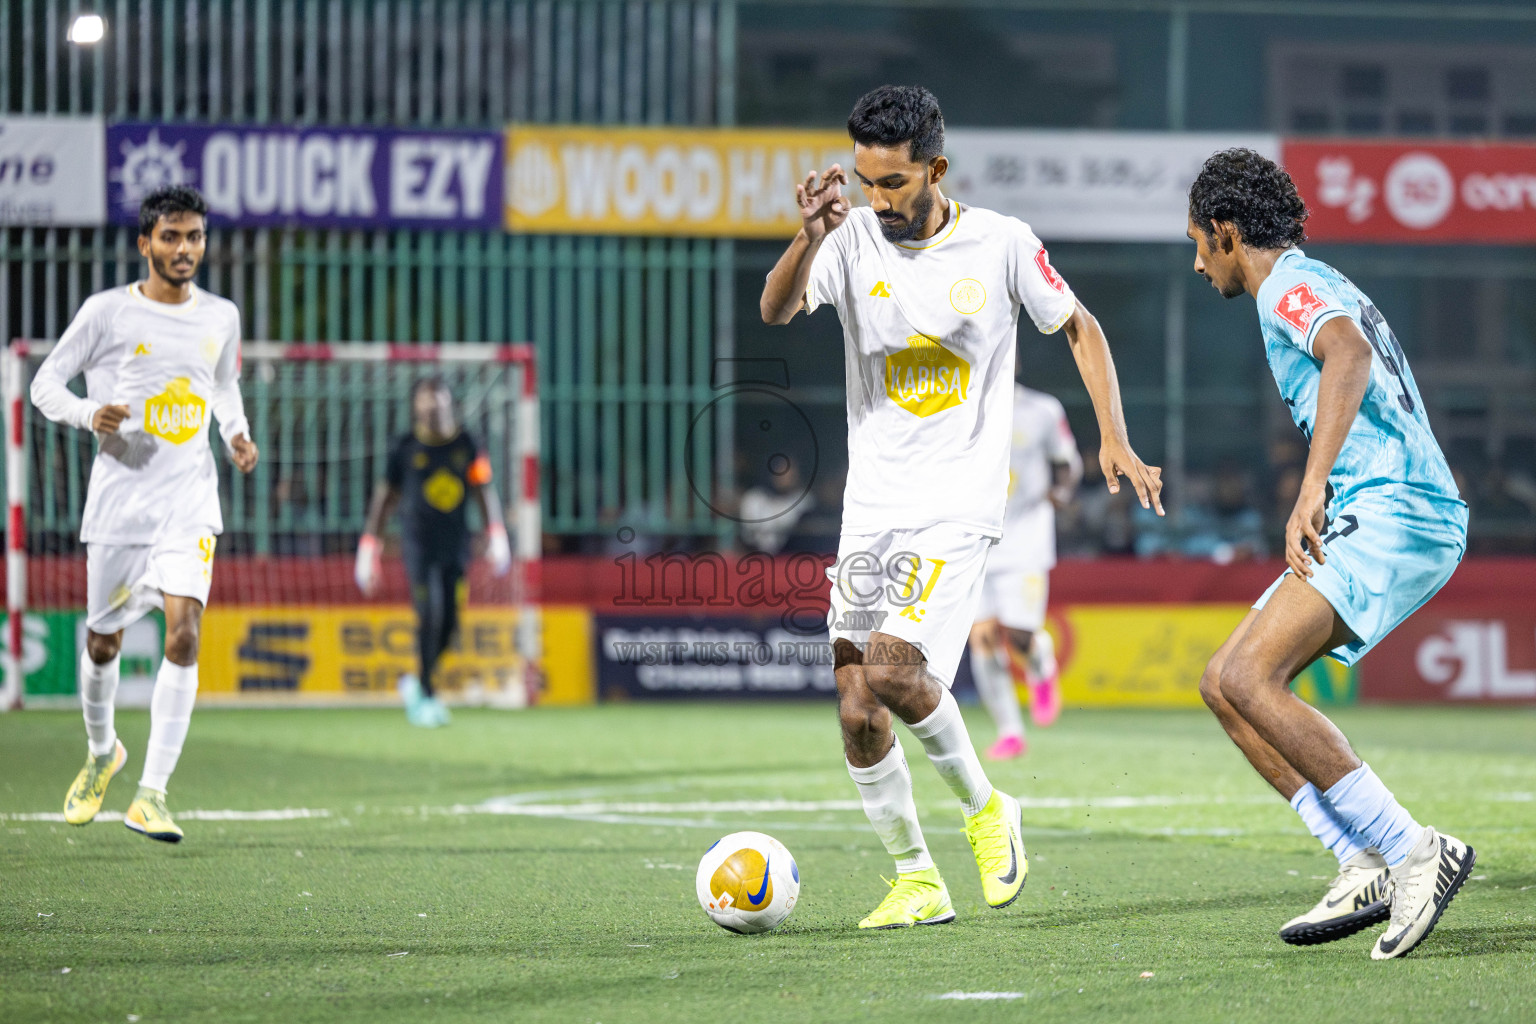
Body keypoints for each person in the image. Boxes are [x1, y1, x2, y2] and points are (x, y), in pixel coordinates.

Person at [760, 84, 1162, 929]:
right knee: (857, 703)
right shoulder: (850, 240)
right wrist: (809, 234)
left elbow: (1080, 325)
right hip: (871, 508)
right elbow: (778, 308)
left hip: (959, 504)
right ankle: (916, 877)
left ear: (935, 168)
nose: (879, 200)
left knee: (896, 671)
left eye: (895, 183)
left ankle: (986, 807)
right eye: (868, 183)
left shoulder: (1001, 243)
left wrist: (1114, 437)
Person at [1188, 148, 1474, 960]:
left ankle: (1416, 849)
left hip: (1397, 507)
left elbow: (1346, 354)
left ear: (1227, 232)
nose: (1196, 262)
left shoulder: (1284, 282)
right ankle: (1362, 859)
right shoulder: (1306, 280)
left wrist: (1311, 488)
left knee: (1251, 678)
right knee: (1222, 683)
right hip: (1385, 507)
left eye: (1197, 242)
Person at [36, 185, 259, 843]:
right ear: (145, 244)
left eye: (194, 237)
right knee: (102, 641)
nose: (184, 249)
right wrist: (84, 413)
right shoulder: (107, 314)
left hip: (188, 503)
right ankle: (103, 751)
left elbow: (222, 382)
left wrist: (236, 433)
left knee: (184, 631)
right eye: (171, 237)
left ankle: (152, 795)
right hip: (119, 506)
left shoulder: (221, 316)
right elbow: (46, 381)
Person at [355, 378, 511, 727]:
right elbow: (385, 500)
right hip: (418, 546)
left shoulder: (467, 444)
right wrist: (369, 548)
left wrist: (496, 533)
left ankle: (416, 683)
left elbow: (483, 489)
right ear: (416, 408)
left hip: (456, 546)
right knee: (430, 613)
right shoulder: (405, 448)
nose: (432, 408)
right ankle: (426, 695)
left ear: (449, 404)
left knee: (451, 624)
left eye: (438, 401)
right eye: (425, 402)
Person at [967, 383, 1081, 759]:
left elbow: (1067, 463)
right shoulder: (955, 402)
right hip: (972, 537)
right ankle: (1010, 731)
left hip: (1025, 536)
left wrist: (1062, 493)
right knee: (981, 636)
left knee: (1018, 636)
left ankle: (1040, 659)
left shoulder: (1042, 408)